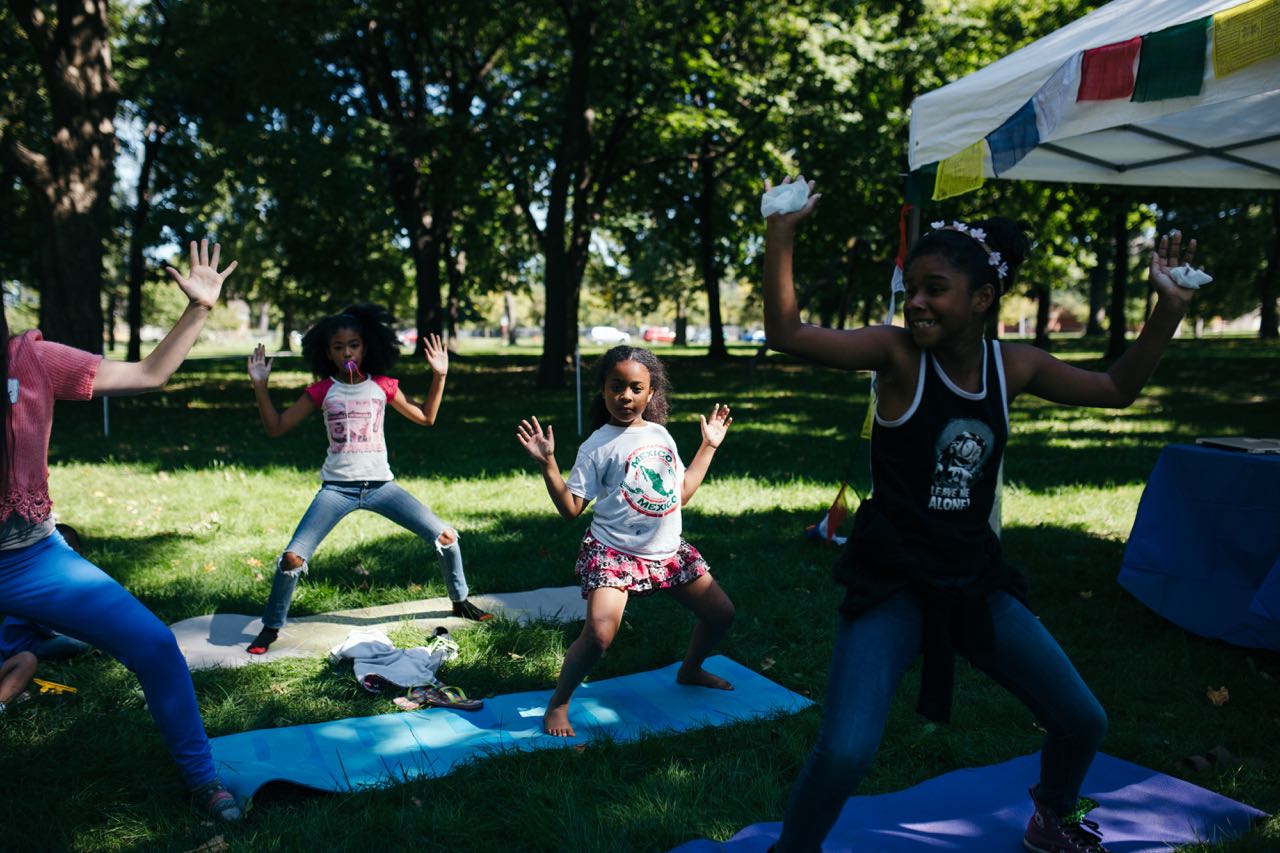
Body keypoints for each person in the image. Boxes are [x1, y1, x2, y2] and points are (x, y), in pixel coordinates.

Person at [762, 177, 1198, 853]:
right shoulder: (895, 354)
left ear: (982, 298)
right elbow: (786, 333)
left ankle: (1050, 819)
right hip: (894, 582)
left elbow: (1116, 388)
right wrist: (780, 234)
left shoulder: (1014, 366)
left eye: (935, 288)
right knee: (845, 750)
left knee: (1083, 720)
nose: (916, 301)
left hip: (973, 581)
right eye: (912, 288)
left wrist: (1166, 310)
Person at [0, 239, 244, 821]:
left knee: (155, 645)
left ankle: (202, 779)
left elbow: (148, 373)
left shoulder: (30, 360)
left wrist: (199, 309)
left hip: (31, 557)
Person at [516, 345, 737, 737]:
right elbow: (571, 509)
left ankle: (690, 670)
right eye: (616, 387)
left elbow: (680, 494)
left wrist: (709, 446)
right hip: (614, 552)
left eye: (636, 388)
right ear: (603, 390)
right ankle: (559, 704)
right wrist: (548, 464)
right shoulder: (596, 445)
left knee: (721, 614)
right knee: (599, 636)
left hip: (666, 552)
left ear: (651, 394)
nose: (626, 396)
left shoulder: (660, 435)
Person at [244, 304, 490, 656]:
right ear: (328, 353)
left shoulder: (383, 386)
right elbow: (276, 427)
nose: (347, 353)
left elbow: (426, 417)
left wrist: (439, 375)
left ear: (365, 347)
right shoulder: (321, 391)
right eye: (339, 347)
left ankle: (460, 600)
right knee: (292, 560)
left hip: (381, 487)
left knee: (447, 537)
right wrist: (260, 386)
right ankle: (271, 626)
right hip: (337, 490)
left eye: (354, 345)